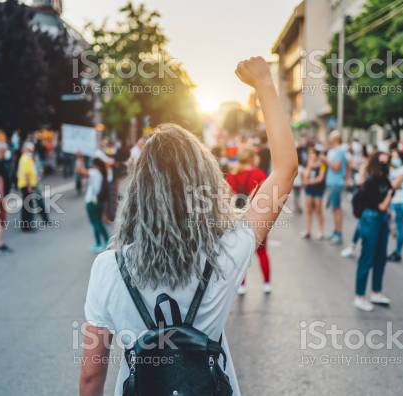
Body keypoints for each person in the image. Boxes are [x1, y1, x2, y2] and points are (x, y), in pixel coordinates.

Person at [79, 57, 298, 396]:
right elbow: (284, 169)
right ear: (206, 183)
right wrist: (265, 86)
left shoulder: (108, 268)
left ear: (138, 191)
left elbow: (92, 374)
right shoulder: (227, 250)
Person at [226, 148, 271, 294]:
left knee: (241, 253)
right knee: (262, 252)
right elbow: (266, 197)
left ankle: (242, 285)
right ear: (252, 159)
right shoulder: (258, 174)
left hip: (238, 219)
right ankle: (267, 283)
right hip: (258, 217)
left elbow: (227, 200)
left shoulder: (231, 176)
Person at [353, 151, 393, 311]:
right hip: (371, 219)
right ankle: (359, 296)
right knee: (367, 257)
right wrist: (389, 196)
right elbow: (382, 204)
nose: (384, 165)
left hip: (381, 219)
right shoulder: (370, 181)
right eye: (382, 162)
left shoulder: (384, 179)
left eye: (387, 162)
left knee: (381, 257)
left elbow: (387, 199)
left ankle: (376, 292)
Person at [76, 152, 111, 253]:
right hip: (98, 201)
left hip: (92, 201)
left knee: (95, 223)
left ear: (96, 165)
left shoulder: (94, 173)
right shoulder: (101, 173)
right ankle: (107, 241)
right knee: (99, 222)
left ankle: (99, 244)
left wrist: (79, 158)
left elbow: (80, 171)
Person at [17, 141, 49, 232]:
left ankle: (27, 226)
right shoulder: (25, 158)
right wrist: (29, 186)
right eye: (30, 149)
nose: (31, 151)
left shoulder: (27, 158)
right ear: (25, 149)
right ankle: (27, 227)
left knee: (28, 206)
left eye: (32, 150)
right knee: (28, 207)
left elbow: (32, 171)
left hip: (29, 185)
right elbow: (26, 174)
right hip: (27, 185)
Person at [387, 149, 403, 262]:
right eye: (392, 156)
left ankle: (397, 252)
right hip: (395, 200)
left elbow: (394, 184)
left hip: (398, 202)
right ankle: (395, 252)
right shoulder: (396, 169)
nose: (393, 158)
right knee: (395, 227)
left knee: (397, 227)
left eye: (395, 156)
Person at [325, 130, 348, 245]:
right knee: (334, 209)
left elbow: (336, 167)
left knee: (337, 209)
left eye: (331, 136)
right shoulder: (334, 151)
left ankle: (338, 234)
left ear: (336, 139)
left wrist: (326, 161)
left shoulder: (339, 151)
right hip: (333, 183)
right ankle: (335, 231)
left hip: (336, 183)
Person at [302, 144, 326, 239]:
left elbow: (321, 178)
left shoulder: (322, 165)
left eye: (312, 154)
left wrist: (309, 181)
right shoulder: (308, 164)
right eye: (309, 154)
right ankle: (308, 231)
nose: (310, 155)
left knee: (318, 209)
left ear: (317, 154)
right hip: (309, 189)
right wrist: (310, 166)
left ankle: (321, 231)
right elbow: (305, 176)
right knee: (308, 210)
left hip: (318, 189)